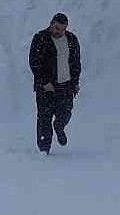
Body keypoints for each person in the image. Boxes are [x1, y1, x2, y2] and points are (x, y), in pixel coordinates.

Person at [29, 12, 81, 155]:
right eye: (57, 28)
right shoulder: (40, 39)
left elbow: (76, 63)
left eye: (63, 29)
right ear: (51, 24)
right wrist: (44, 82)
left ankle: (59, 126)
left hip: (66, 85)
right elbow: (34, 63)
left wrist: (75, 82)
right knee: (44, 118)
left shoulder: (71, 39)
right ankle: (44, 150)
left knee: (65, 112)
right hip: (47, 87)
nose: (60, 32)